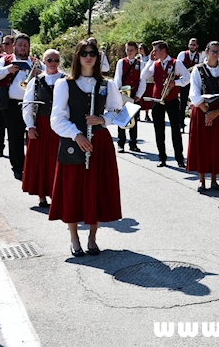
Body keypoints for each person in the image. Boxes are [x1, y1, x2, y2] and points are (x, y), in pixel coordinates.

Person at [49, 39, 122, 257]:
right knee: (72, 191)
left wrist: (102, 119)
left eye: (92, 53)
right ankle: (74, 238)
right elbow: (56, 119)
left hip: (99, 143)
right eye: (83, 53)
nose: (88, 57)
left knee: (96, 190)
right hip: (74, 143)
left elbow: (117, 111)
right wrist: (77, 134)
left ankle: (92, 237)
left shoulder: (107, 85)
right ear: (77, 57)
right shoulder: (65, 84)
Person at [0, 33, 42, 180]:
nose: (23, 48)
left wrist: (39, 75)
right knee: (15, 137)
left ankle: (32, 166)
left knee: (34, 137)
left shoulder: (35, 62)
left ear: (29, 47)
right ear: (14, 46)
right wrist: (7, 70)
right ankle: (18, 167)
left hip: (32, 105)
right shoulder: (5, 60)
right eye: (20, 45)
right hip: (12, 105)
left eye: (26, 45)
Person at [186, 41, 219, 192]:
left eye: (218, 51)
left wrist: (217, 112)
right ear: (206, 52)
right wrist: (207, 112)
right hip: (202, 111)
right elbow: (194, 94)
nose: (216, 54)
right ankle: (201, 180)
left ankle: (214, 179)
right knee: (202, 145)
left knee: (216, 144)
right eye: (213, 51)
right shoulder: (197, 70)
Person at [22, 49, 65, 208]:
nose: (53, 63)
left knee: (59, 160)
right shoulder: (36, 81)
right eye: (49, 60)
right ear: (43, 61)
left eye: (56, 60)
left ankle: (57, 195)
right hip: (41, 124)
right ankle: (41, 195)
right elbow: (27, 105)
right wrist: (30, 126)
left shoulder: (66, 80)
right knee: (41, 160)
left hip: (61, 125)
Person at [140, 40, 190, 168]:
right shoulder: (154, 64)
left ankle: (179, 158)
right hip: (157, 100)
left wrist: (176, 83)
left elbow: (187, 77)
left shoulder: (176, 63)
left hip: (172, 99)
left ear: (163, 51)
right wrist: (150, 60)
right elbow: (143, 75)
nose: (153, 53)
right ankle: (162, 157)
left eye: (155, 50)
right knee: (159, 130)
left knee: (175, 130)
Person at [114, 41, 145, 153]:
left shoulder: (141, 63)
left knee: (134, 120)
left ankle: (133, 143)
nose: (129, 52)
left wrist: (139, 95)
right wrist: (119, 93)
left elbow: (142, 80)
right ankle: (120, 143)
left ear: (136, 50)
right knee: (122, 119)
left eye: (131, 50)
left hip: (135, 94)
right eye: (127, 50)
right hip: (123, 94)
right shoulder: (121, 62)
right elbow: (117, 78)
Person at [176, 38, 205, 133]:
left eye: (194, 45)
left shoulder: (200, 56)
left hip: (194, 82)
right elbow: (178, 67)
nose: (192, 46)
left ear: (197, 46)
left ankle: (195, 125)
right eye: (191, 44)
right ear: (188, 45)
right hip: (184, 81)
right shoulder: (182, 54)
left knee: (196, 102)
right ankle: (180, 124)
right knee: (182, 103)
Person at [138, 43, 153, 122]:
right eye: (139, 48)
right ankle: (138, 114)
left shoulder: (150, 58)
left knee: (147, 98)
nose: (139, 50)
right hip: (140, 80)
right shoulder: (137, 58)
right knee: (139, 97)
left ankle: (147, 114)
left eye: (141, 48)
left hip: (149, 80)